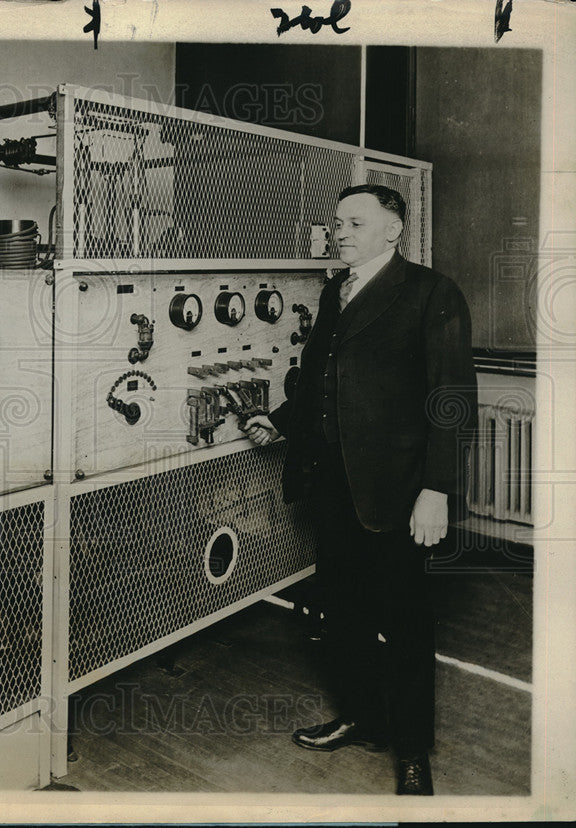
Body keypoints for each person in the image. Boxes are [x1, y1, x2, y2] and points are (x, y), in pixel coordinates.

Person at [245, 184, 476, 796]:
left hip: (395, 491)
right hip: (329, 485)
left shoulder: (431, 292)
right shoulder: (335, 289)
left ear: (392, 231)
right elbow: (322, 375)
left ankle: (412, 751)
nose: (340, 231)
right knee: (342, 612)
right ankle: (362, 715)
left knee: (403, 621)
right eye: (338, 221)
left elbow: (451, 400)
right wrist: (282, 418)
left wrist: (437, 490)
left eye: (355, 222)